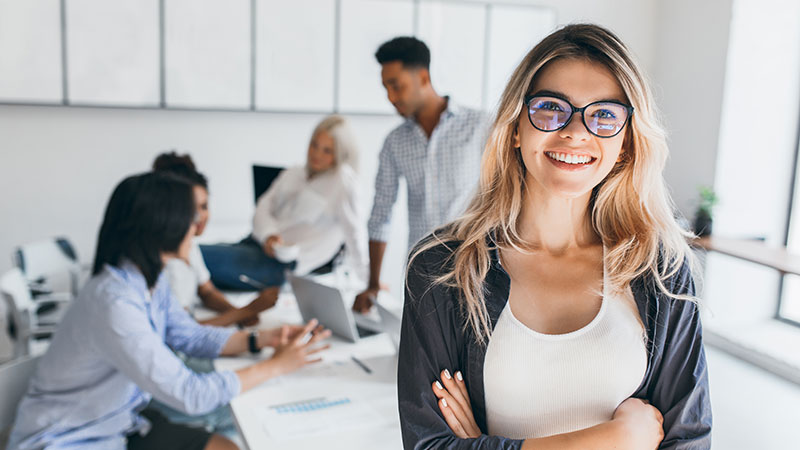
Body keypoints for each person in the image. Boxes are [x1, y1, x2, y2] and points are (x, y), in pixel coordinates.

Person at [398, 24, 711, 449]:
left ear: (627, 142)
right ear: (514, 128)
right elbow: (428, 445)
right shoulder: (441, 268)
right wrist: (617, 438)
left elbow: (689, 440)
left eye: (604, 114)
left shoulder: (660, 268)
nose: (575, 132)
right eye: (550, 108)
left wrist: (484, 444)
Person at [8, 172, 330, 450]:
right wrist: (276, 367)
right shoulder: (114, 304)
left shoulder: (148, 278)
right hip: (69, 438)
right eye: (191, 217)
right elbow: (190, 394)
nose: (197, 226)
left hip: (119, 420)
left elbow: (187, 335)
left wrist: (261, 339)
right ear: (163, 225)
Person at [353, 36, 489, 313]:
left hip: (476, 269)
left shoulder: (481, 126)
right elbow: (381, 214)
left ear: (423, 78)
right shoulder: (394, 142)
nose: (391, 97)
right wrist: (372, 283)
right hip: (422, 273)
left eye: (396, 86)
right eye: (386, 88)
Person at [201, 115, 368, 291]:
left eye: (327, 150)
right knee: (189, 256)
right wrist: (269, 235)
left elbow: (356, 235)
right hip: (252, 245)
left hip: (279, 266)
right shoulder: (294, 173)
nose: (316, 154)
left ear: (339, 154)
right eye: (314, 145)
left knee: (194, 257)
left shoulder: (343, 183)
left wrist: (369, 284)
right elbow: (263, 207)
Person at [153, 152, 277, 327]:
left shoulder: (190, 247)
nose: (200, 217)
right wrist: (245, 311)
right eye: (193, 209)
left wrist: (236, 312)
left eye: (204, 206)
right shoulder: (166, 265)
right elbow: (182, 333)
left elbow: (207, 291)